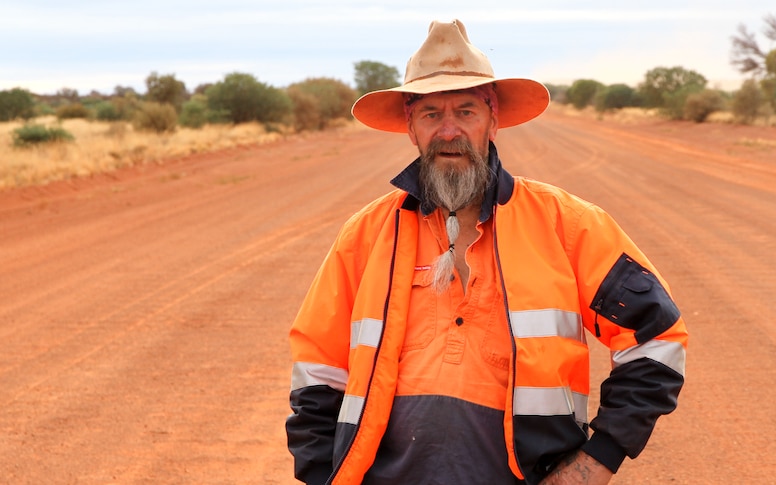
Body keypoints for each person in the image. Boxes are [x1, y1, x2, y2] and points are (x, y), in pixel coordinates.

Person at [286, 19, 688, 485]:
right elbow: (316, 372)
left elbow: (658, 338)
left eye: (466, 111)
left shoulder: (567, 224)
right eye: (431, 114)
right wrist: (320, 473)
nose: (449, 130)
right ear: (410, 128)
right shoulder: (366, 234)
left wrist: (599, 458)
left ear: (493, 119)